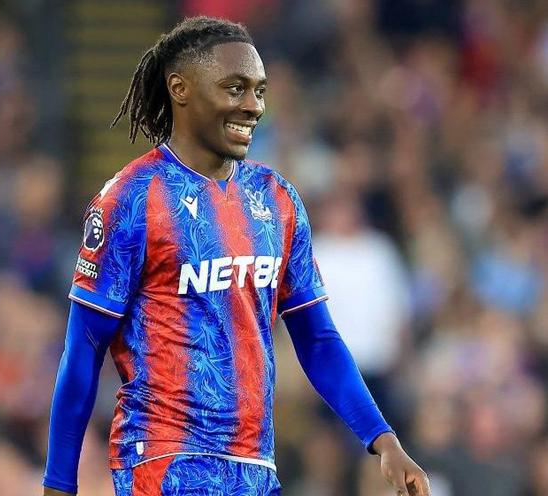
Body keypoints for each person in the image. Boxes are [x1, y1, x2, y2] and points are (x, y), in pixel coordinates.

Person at [42, 16, 430, 496]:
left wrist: (383, 439)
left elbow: (317, 339)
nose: (253, 106)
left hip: (254, 468)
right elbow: (83, 347)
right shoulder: (132, 199)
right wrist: (59, 482)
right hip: (165, 462)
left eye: (259, 91)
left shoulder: (276, 198)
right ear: (180, 89)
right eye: (235, 88)